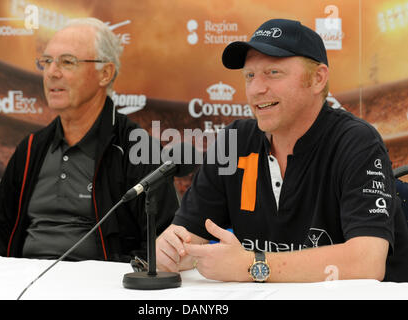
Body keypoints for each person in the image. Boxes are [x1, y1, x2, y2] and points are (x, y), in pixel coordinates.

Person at [156, 18, 408, 282]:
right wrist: (172, 251)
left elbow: (367, 262)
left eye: (273, 73)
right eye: (250, 76)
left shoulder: (356, 141)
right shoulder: (234, 140)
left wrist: (254, 265)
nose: (256, 89)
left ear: (318, 79)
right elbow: (184, 238)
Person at [0, 17, 179, 262]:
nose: (51, 73)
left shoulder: (136, 149)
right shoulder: (30, 149)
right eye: (46, 62)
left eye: (67, 62)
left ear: (105, 74)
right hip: (24, 283)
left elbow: (163, 240)